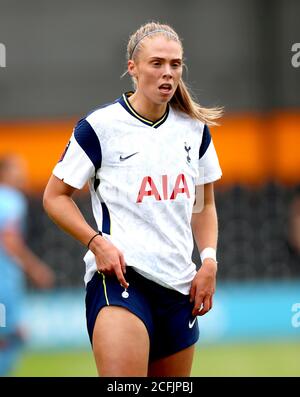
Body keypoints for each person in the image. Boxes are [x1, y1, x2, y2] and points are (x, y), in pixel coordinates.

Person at [43, 21, 223, 377]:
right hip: (121, 280)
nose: (168, 73)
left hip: (179, 287)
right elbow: (55, 197)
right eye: (156, 63)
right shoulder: (99, 127)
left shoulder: (195, 129)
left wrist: (209, 260)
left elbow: (204, 205)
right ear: (133, 68)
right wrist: (97, 243)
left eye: (175, 64)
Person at [0, 155, 55, 376]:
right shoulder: (11, 199)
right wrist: (36, 269)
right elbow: (10, 240)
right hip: (4, 285)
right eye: (17, 169)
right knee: (10, 336)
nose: (22, 174)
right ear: (4, 173)